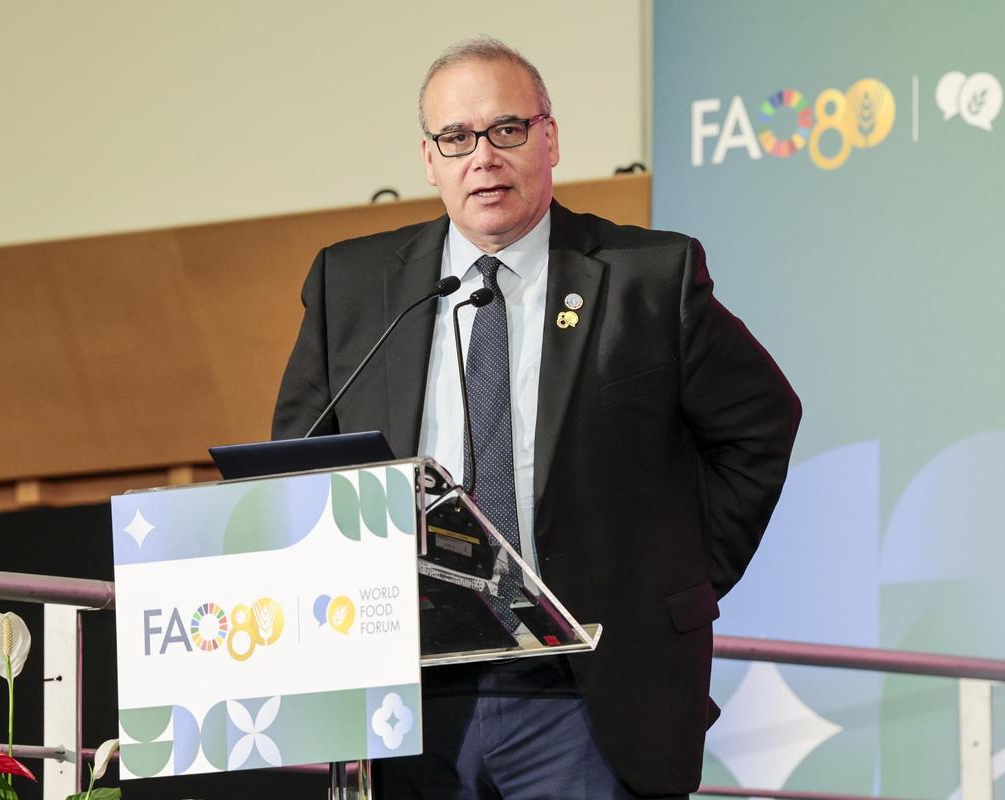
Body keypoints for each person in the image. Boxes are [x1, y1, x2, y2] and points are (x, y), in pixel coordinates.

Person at [273, 37, 800, 800]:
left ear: (549, 140)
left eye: (507, 130)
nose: (483, 157)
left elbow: (761, 426)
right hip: (406, 692)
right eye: (457, 138)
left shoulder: (648, 277)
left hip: (581, 688)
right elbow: (297, 469)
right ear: (429, 159)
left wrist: (675, 576)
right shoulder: (352, 285)